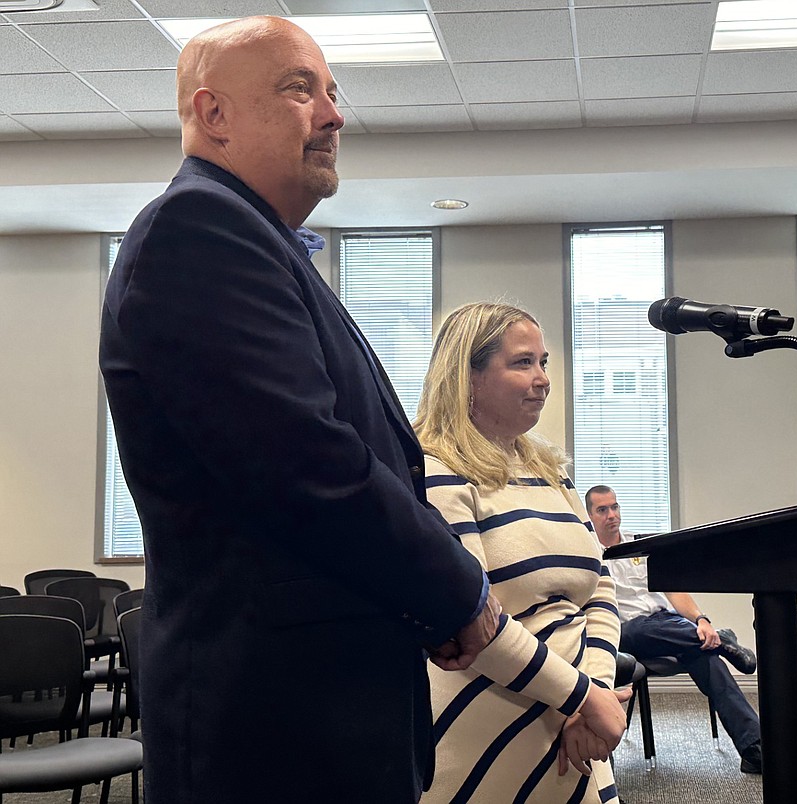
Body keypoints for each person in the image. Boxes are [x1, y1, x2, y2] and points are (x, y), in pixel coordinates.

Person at [99, 17, 501, 804]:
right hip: (272, 730)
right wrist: (459, 592)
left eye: (332, 92)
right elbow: (309, 465)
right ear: (212, 115)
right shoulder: (199, 230)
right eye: (298, 89)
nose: (333, 114)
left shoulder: (259, 242)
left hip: (314, 712)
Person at [413, 302, 626, 803]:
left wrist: (593, 691)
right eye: (523, 363)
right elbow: (468, 618)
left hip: (576, 728)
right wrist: (581, 696)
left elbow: (601, 584)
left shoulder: (552, 471)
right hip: (487, 725)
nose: (543, 378)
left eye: (544, 362)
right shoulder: (436, 470)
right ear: (469, 375)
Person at [586, 485, 764, 774]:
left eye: (615, 507)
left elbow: (674, 592)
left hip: (667, 625)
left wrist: (703, 621)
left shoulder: (641, 545)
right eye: (602, 510)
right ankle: (724, 641)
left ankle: (754, 749)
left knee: (707, 658)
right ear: (590, 515)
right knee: (642, 630)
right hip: (626, 633)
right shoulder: (590, 553)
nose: (611, 515)